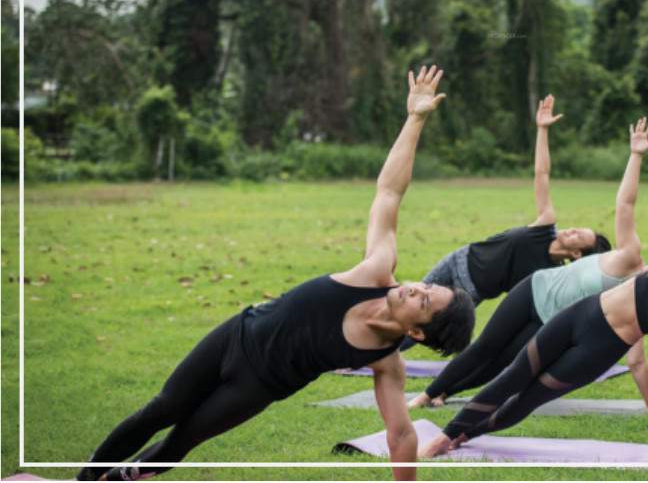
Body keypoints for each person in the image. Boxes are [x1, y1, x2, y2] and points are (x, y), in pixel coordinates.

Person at [76, 66, 475, 482]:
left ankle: (124, 478)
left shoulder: (385, 361)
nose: (414, 287)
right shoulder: (376, 270)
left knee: (182, 440)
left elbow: (401, 434)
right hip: (236, 337)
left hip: (257, 387)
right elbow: (389, 192)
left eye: (423, 301)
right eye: (425, 286)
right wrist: (415, 119)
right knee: (160, 411)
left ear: (416, 333)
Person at [420, 93, 648, 463]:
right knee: (514, 374)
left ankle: (465, 435)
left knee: (527, 400)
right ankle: (446, 435)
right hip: (579, 315)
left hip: (599, 349)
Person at [409, 117, 648, 413]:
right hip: (533, 291)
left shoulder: (633, 302)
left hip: (548, 320)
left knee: (505, 363)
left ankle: (447, 391)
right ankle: (427, 394)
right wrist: (635, 156)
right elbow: (625, 205)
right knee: (486, 347)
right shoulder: (629, 258)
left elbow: (636, 358)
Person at [399, 94, 610, 352]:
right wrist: (542, 130)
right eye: (577, 228)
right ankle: (377, 347)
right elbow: (542, 174)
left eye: (579, 236)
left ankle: (386, 356)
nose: (572, 229)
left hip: (471, 288)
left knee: (427, 324)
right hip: (460, 257)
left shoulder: (546, 273)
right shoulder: (545, 227)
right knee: (406, 309)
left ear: (577, 254)